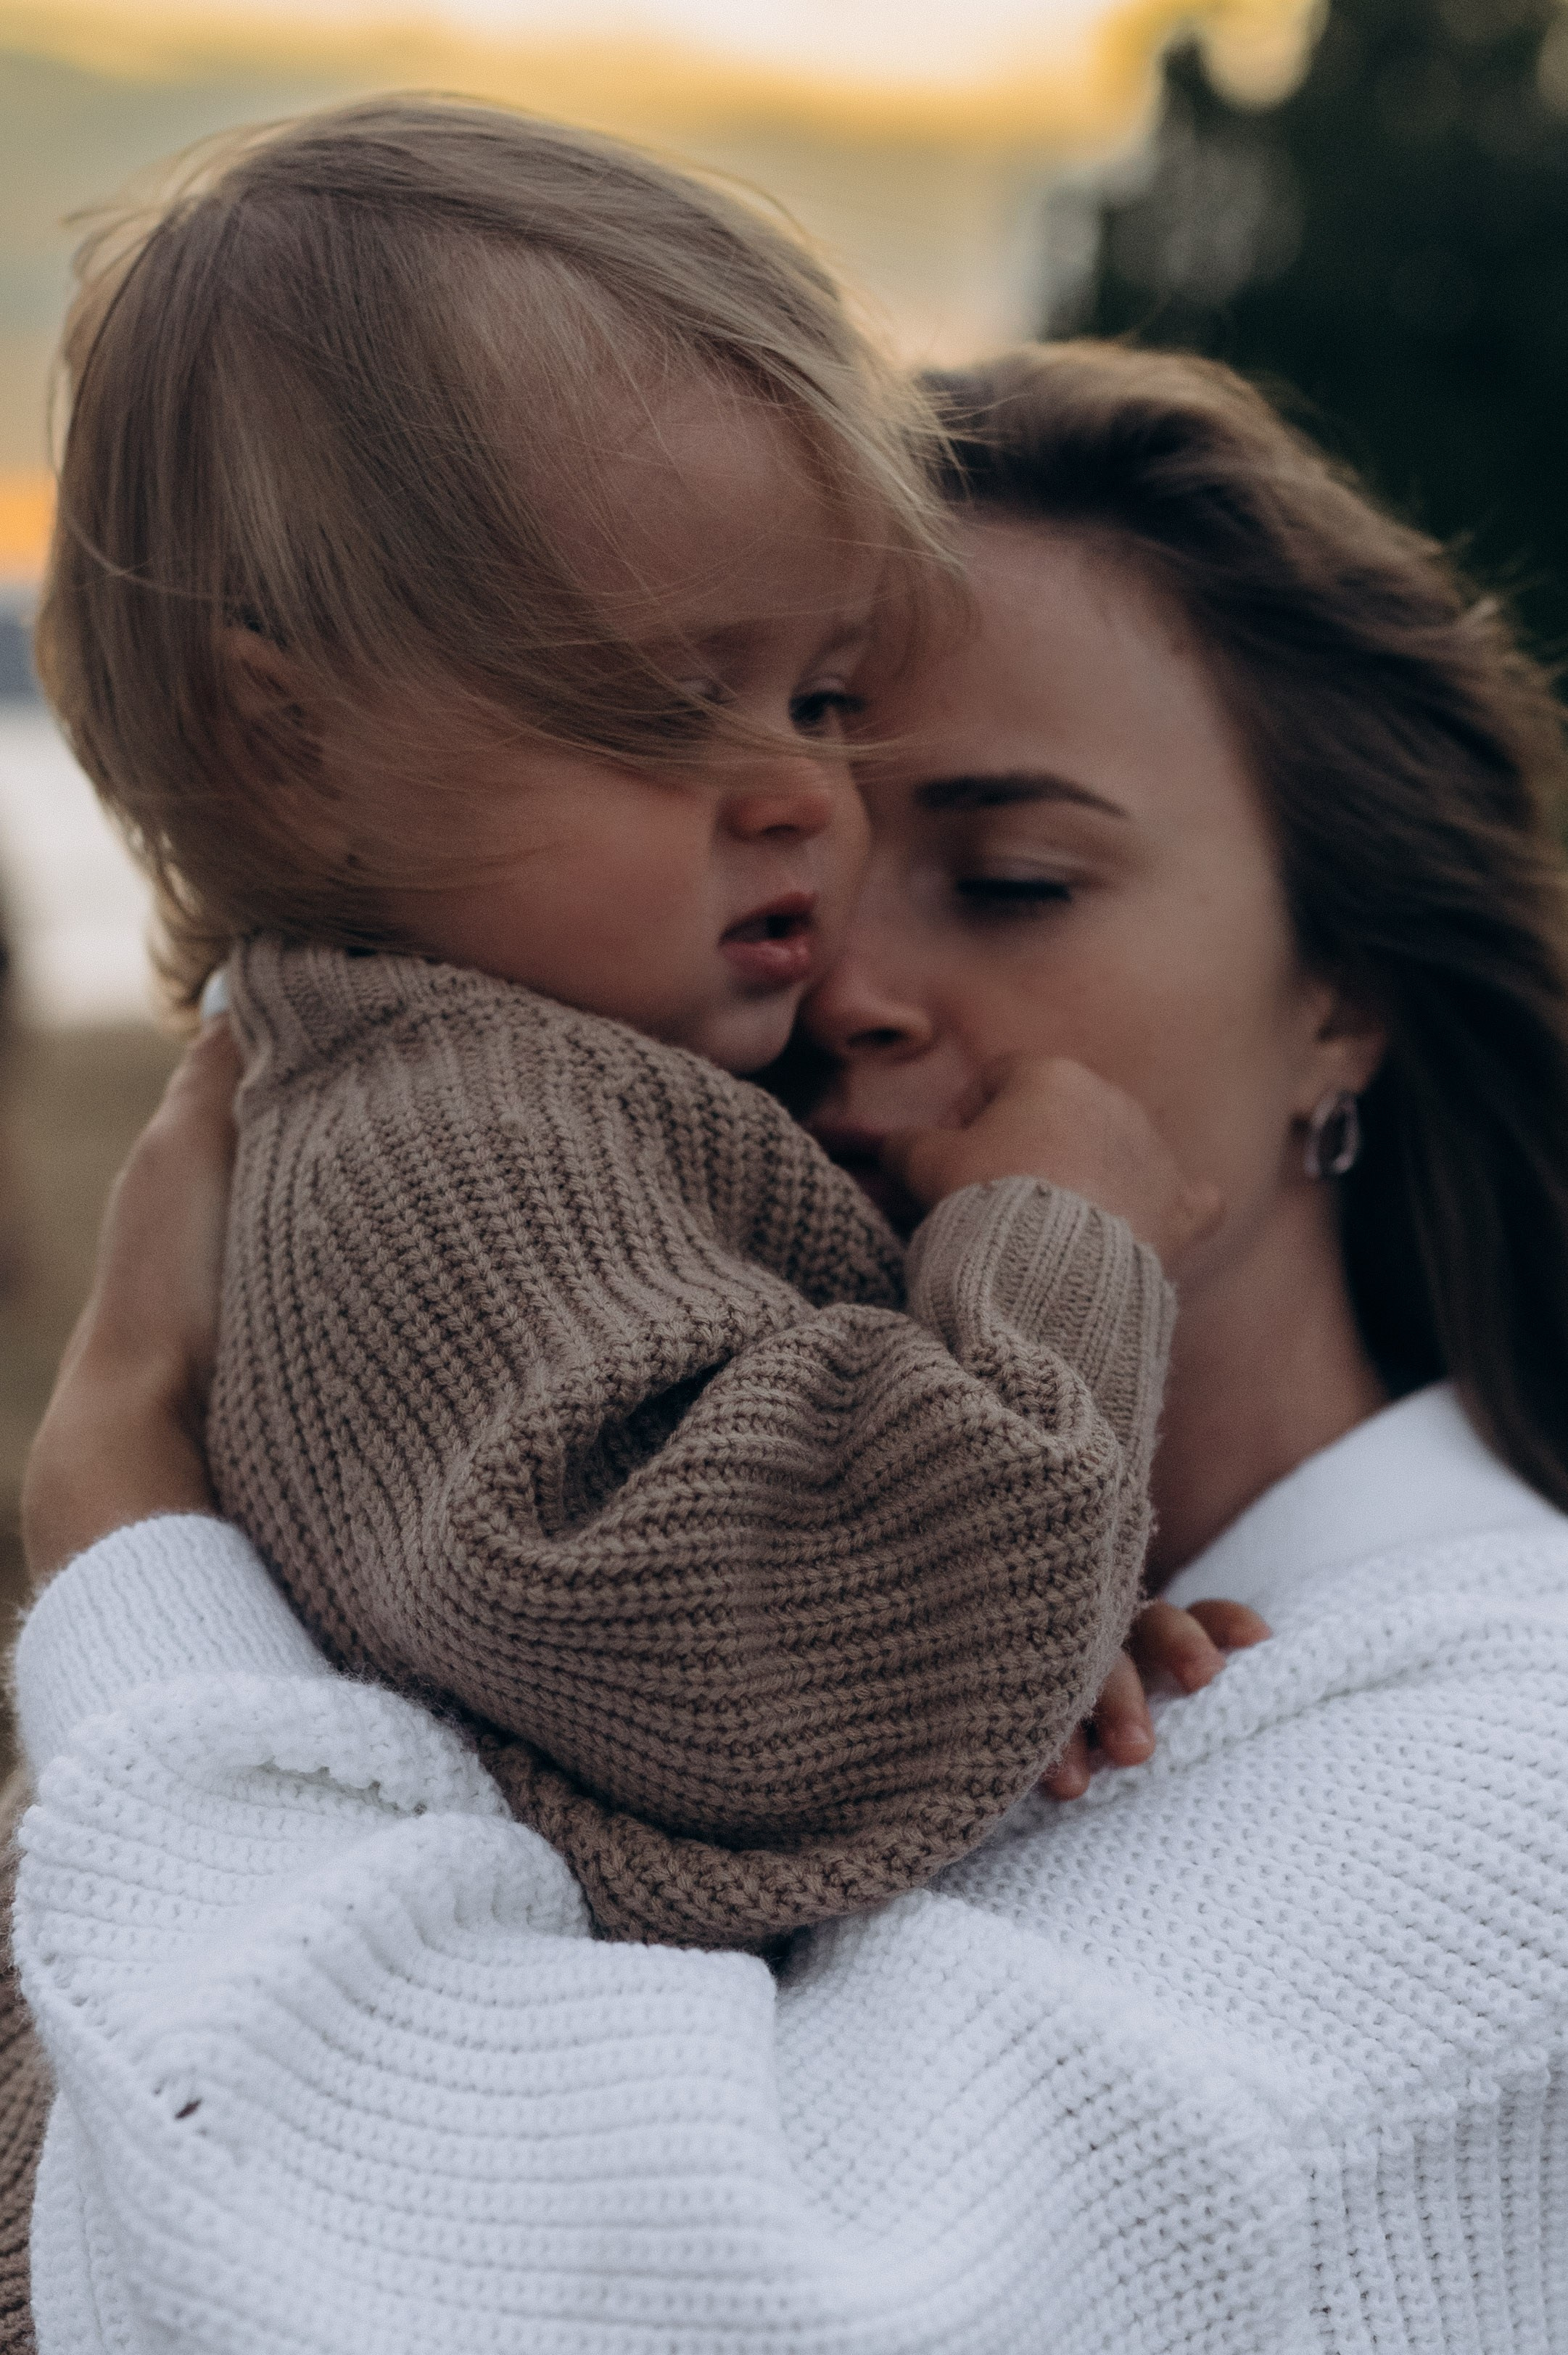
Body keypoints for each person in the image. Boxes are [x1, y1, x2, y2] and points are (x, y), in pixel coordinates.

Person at [13, 339, 1568, 2348]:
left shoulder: (1502, 1756)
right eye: (734, 833)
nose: (839, 980)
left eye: (1009, 880)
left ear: (1338, 1001)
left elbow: (553, 2306)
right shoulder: (586, 1622)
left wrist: (131, 1548)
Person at [31, 96, 1221, 1966]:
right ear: (292, 739)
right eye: (662, 707)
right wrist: (1057, 1236)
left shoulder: (547, 1100)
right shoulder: (447, 1147)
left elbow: (704, 1649)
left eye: (822, 697)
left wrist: (1040, 1621)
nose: (802, 797)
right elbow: (795, 1656)